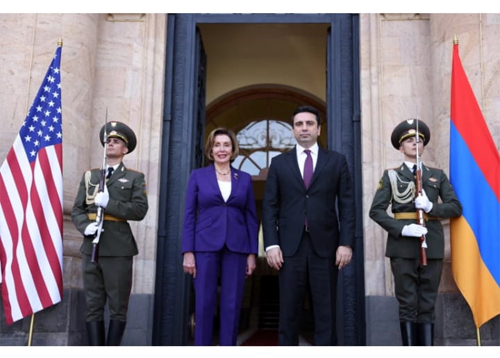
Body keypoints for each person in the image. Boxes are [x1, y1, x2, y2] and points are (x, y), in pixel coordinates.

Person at [262, 105, 356, 346]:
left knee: (326, 312)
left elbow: (347, 206)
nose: (304, 128)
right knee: (288, 313)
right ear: (293, 130)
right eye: (299, 124)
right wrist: (271, 244)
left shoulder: (336, 161)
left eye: (309, 123)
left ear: (318, 128)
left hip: (325, 247)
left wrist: (345, 243)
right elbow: (270, 206)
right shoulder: (279, 163)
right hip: (288, 249)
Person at [369, 118, 462, 346]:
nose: (415, 144)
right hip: (403, 246)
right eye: (409, 141)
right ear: (401, 147)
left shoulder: (436, 175)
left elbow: (455, 208)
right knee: (408, 302)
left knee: (427, 301)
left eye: (419, 140)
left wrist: (432, 207)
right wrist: (403, 229)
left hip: (431, 244)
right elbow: (376, 211)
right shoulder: (391, 176)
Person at [71, 121, 149, 346]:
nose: (111, 144)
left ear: (125, 149)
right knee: (93, 305)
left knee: (117, 307)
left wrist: (110, 203)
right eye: (108, 141)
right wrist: (85, 226)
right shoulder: (90, 176)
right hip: (91, 246)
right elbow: (77, 209)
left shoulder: (135, 178)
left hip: (118, 249)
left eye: (116, 142)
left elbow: (139, 210)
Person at [182, 127, 259, 346]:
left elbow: (251, 218)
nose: (222, 149)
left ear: (233, 148)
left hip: (237, 247)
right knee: (204, 303)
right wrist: (188, 251)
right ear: (211, 149)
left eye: (226, 145)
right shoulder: (198, 176)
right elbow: (189, 215)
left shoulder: (243, 178)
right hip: (204, 246)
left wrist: (252, 253)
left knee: (232, 303)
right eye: (217, 145)